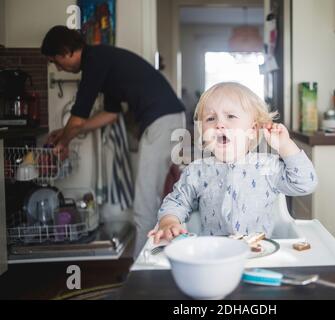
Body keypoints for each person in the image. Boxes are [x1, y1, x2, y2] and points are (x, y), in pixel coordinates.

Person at [41, 26, 186, 257]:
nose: (58, 68)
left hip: (162, 122)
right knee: (152, 200)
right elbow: (110, 113)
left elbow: (77, 120)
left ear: (67, 51)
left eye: (56, 61)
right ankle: (153, 265)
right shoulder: (103, 60)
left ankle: (143, 274)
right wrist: (64, 132)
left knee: (144, 205)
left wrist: (64, 142)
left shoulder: (94, 61)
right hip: (165, 120)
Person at [150, 82, 317, 244]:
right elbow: (177, 201)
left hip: (260, 252)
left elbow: (305, 183)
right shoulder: (197, 171)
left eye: (230, 116)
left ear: (252, 130)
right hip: (213, 254)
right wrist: (168, 221)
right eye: (210, 118)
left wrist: (285, 146)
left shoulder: (268, 167)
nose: (219, 124)